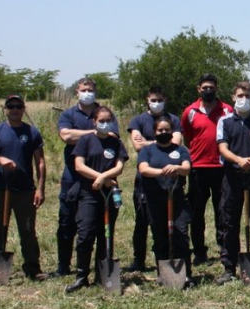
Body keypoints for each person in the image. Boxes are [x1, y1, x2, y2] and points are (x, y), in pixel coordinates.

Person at [55, 77, 119, 277]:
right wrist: (94, 132)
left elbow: (113, 137)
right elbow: (65, 136)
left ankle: (100, 268)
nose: (87, 93)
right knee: (67, 223)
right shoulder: (69, 114)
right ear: (77, 91)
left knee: (99, 226)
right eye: (84, 90)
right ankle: (64, 266)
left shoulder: (105, 113)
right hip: (73, 177)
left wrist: (83, 134)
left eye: (91, 89)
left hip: (103, 180)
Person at [0, 95, 48, 281]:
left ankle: (33, 268)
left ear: (24, 108)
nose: (15, 109)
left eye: (18, 106)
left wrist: (40, 188)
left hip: (25, 189)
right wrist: (0, 159)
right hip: (0, 189)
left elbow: (40, 162)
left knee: (27, 230)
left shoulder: (32, 132)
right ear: (5, 109)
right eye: (11, 106)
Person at [215, 81, 250, 284]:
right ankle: (229, 267)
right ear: (233, 97)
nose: (243, 99)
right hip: (232, 177)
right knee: (229, 223)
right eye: (240, 95)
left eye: (247, 95)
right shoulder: (225, 121)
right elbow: (223, 148)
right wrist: (239, 160)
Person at [65, 107, 128, 293]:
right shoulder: (85, 140)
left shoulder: (115, 142)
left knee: (106, 234)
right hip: (88, 193)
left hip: (109, 193)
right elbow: (79, 165)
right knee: (85, 234)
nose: (105, 123)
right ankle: (82, 276)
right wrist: (99, 178)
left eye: (109, 120)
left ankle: (103, 274)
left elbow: (119, 166)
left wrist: (105, 178)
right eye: (101, 120)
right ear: (94, 121)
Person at [125, 87, 183, 272]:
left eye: (159, 99)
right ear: (147, 100)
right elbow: (137, 146)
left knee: (168, 220)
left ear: (165, 99)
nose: (156, 102)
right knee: (142, 220)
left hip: (170, 181)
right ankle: (138, 260)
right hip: (145, 181)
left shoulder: (174, 119)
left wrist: (149, 143)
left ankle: (168, 257)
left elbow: (177, 143)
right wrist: (161, 143)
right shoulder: (138, 120)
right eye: (153, 99)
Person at [181, 74, 233, 265]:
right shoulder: (190, 112)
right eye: (204, 87)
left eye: (211, 87)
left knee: (222, 211)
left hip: (221, 168)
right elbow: (188, 138)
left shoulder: (227, 110)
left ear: (216, 88)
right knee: (196, 212)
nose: (208, 90)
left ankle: (224, 249)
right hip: (198, 168)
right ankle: (200, 252)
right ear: (199, 89)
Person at [137, 116, 193, 287]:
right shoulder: (148, 151)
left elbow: (187, 168)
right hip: (155, 199)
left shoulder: (180, 149)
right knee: (160, 235)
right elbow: (143, 169)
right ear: (155, 132)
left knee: (181, 234)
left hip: (177, 198)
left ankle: (186, 274)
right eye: (160, 130)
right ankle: (163, 273)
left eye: (167, 130)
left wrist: (177, 168)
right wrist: (162, 171)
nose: (164, 133)